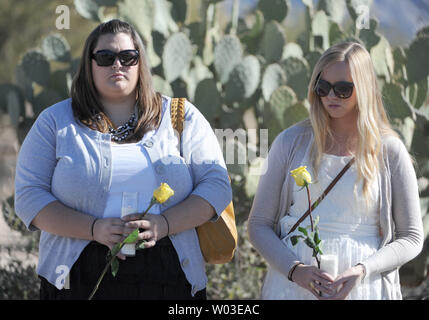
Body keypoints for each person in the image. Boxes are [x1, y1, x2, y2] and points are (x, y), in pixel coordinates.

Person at [14, 19, 232, 300]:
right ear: (90, 64)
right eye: (105, 57)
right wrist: (93, 229)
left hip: (170, 273)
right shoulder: (55, 122)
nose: (117, 65)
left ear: (140, 63)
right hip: (76, 276)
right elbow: (29, 195)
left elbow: (216, 185)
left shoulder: (181, 116)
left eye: (128, 57)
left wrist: (163, 224)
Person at [247, 41, 424, 300]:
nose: (330, 96)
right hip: (293, 288)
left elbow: (411, 237)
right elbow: (258, 224)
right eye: (323, 86)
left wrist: (363, 271)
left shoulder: (389, 151)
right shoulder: (291, 142)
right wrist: (296, 270)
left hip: (364, 289)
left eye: (343, 89)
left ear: (364, 89)